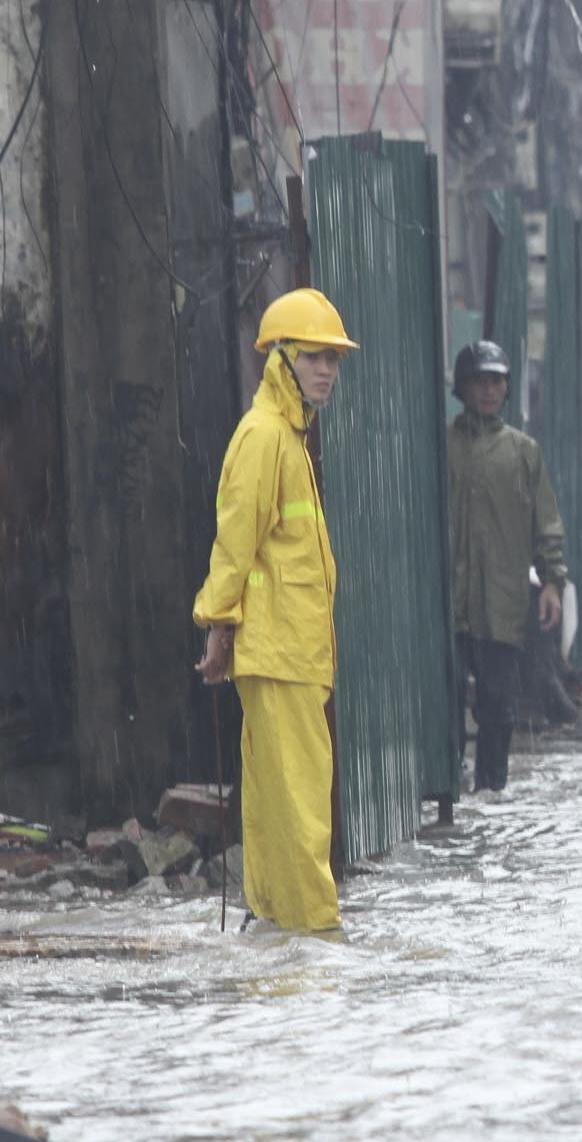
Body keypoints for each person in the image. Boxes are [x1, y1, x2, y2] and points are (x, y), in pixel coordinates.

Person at [190, 287, 356, 933]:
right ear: (280, 359)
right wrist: (216, 623)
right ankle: (316, 934)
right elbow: (234, 543)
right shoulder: (265, 437)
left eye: (333, 361)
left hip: (289, 650)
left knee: (272, 801)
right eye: (315, 357)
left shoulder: (286, 437)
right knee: (301, 804)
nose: (326, 371)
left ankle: (272, 924)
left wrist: (226, 629)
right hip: (281, 652)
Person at [448, 340, 568, 793]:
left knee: (499, 704)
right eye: (480, 380)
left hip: (503, 601)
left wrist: (553, 581)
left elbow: (547, 523)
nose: (489, 390)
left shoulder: (523, 452)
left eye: (497, 380)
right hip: (451, 603)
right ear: (462, 387)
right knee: (449, 698)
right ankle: (450, 789)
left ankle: (492, 791)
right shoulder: (445, 446)